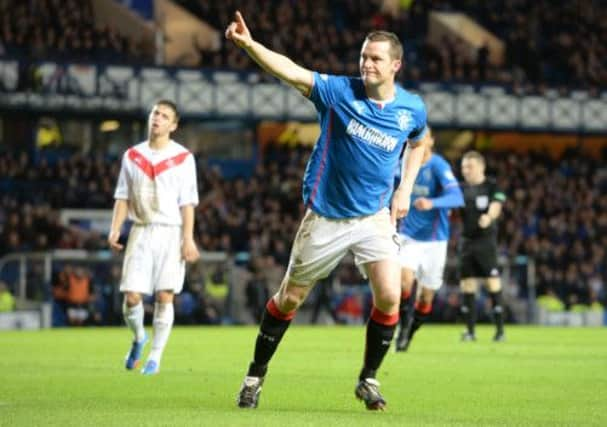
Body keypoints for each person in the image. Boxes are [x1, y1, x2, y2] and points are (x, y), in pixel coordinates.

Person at [225, 11, 430, 410]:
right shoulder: (338, 93)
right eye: (364, 56)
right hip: (326, 217)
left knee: (390, 295)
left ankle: (368, 379)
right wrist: (251, 46)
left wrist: (404, 188)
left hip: (374, 218)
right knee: (289, 300)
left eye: (375, 58)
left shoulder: (411, 108)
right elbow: (292, 72)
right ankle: (255, 375)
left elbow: (419, 142)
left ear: (395, 65)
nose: (366, 63)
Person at [108, 99, 200, 375]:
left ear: (173, 125)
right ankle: (139, 338)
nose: (157, 118)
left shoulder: (183, 158)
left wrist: (188, 238)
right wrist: (115, 228)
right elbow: (122, 196)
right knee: (132, 297)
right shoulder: (132, 155)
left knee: (164, 295)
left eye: (164, 116)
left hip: (171, 233)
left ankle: (155, 358)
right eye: (155, 113)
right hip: (141, 230)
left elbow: (188, 203)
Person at [394, 129, 463, 351]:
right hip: (408, 236)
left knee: (426, 298)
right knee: (404, 280)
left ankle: (411, 331)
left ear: (431, 140)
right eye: (414, 137)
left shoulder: (438, 166)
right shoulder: (403, 164)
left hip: (435, 241)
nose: (419, 140)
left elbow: (457, 197)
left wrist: (432, 203)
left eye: (425, 136)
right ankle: (403, 327)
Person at [458, 150, 506, 341]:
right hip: (466, 242)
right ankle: (470, 332)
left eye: (470, 166)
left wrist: (489, 216)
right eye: (463, 167)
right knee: (467, 285)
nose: (466, 170)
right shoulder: (459, 189)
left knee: (492, 283)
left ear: (481, 167)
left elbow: (497, 205)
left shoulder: (492, 186)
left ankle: (500, 331)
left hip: (486, 243)